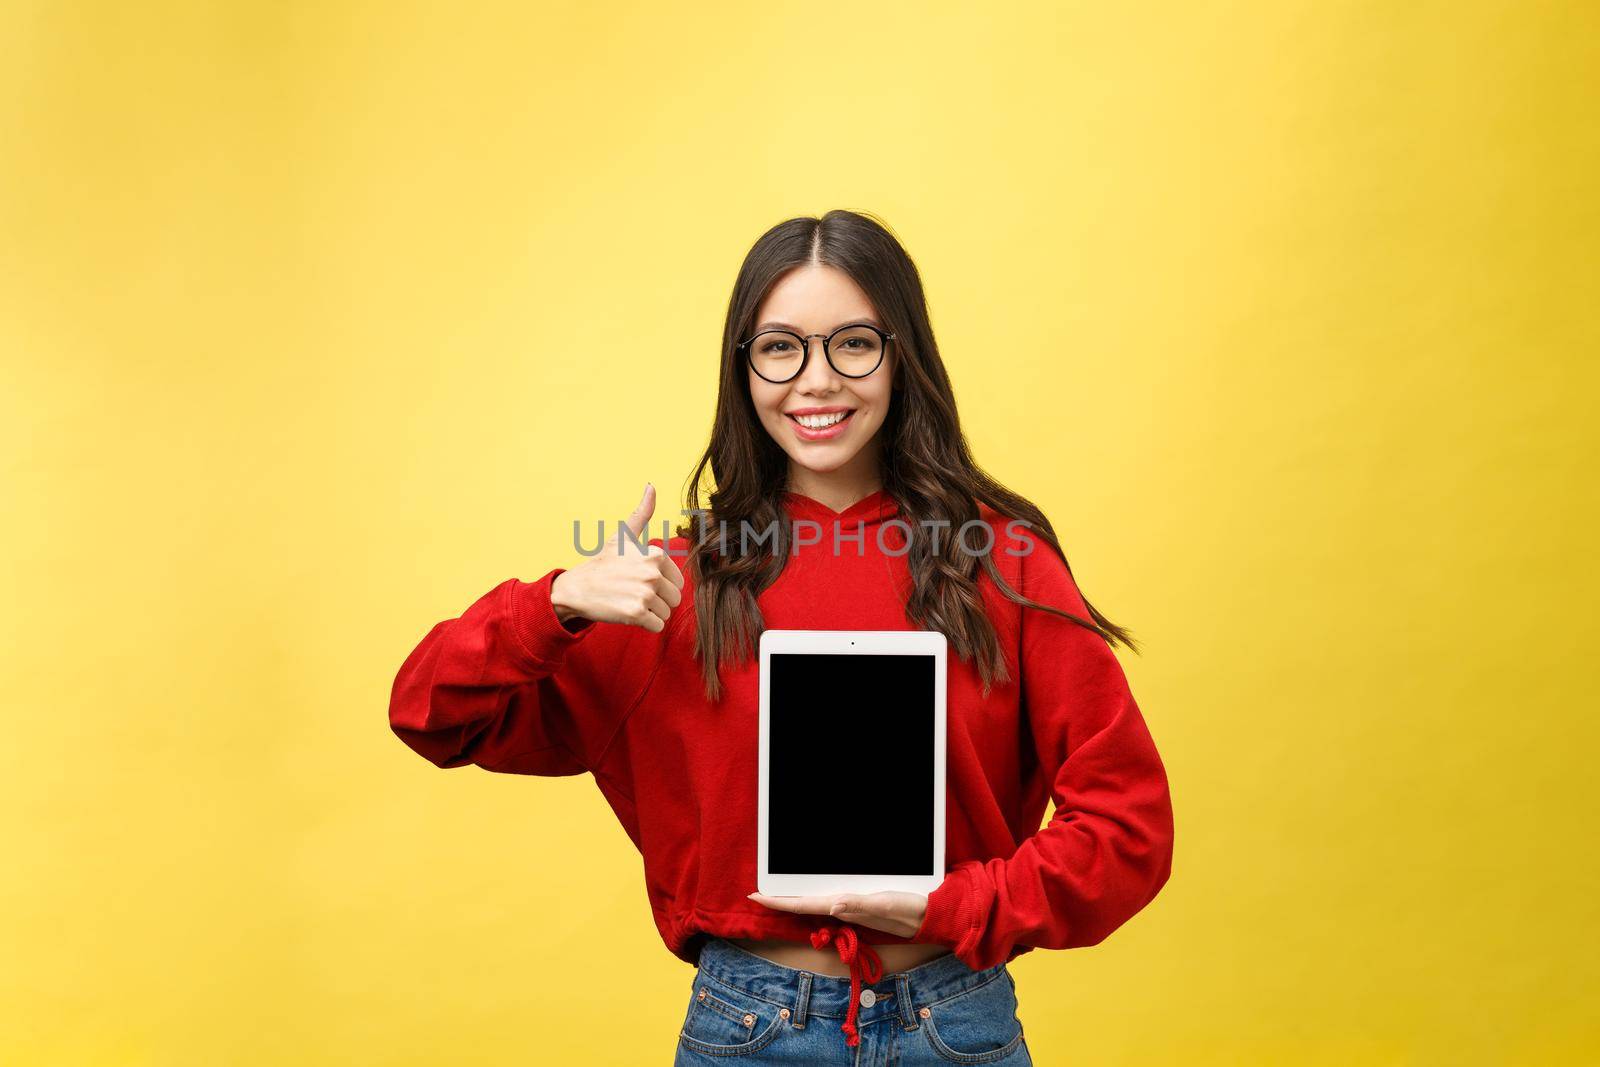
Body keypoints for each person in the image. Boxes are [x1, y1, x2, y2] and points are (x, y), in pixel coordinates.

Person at [387, 209, 1175, 1064]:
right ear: (744, 368)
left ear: (902, 355)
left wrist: (959, 905)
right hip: (752, 1028)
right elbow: (430, 711)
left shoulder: (1002, 561)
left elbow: (1128, 827)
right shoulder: (670, 587)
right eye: (780, 347)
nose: (817, 380)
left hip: (956, 1018)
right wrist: (558, 603)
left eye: (854, 343)